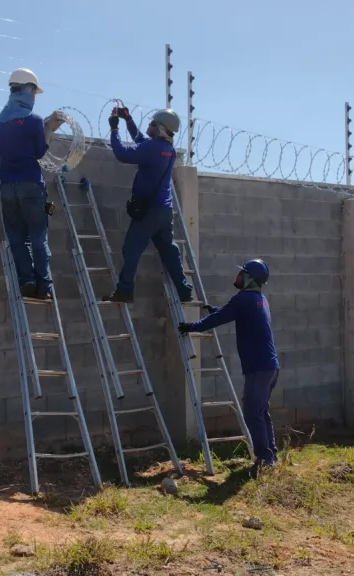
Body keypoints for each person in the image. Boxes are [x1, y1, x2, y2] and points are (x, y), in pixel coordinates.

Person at [178, 258, 279, 477]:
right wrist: (214, 310)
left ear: (249, 277)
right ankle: (272, 456)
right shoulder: (259, 299)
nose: (237, 276)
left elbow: (222, 318)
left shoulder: (244, 298)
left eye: (241, 273)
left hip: (258, 368)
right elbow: (233, 313)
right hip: (270, 367)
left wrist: (191, 326)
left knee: (253, 414)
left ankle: (265, 461)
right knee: (261, 412)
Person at [101, 106, 194, 304]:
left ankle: (125, 290)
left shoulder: (153, 148)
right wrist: (128, 120)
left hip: (149, 212)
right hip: (164, 212)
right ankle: (184, 291)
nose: (149, 125)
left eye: (152, 123)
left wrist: (115, 129)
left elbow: (123, 153)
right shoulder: (167, 150)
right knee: (169, 250)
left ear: (160, 128)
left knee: (131, 248)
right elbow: (141, 140)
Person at [0, 68, 59, 300]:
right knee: (38, 237)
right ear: (26, 89)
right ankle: (44, 285)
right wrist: (49, 130)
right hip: (31, 186)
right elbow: (39, 151)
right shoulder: (33, 121)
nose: (34, 96)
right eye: (33, 91)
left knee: (16, 237)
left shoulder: (2, 120)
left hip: (7, 188)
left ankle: (28, 281)